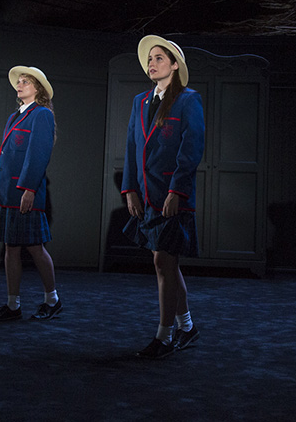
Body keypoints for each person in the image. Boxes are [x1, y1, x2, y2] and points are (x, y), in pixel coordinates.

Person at [121, 36, 205, 359]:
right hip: (146, 194)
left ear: (174, 65)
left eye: (159, 58)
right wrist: (130, 189)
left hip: (172, 195)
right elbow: (132, 146)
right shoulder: (140, 101)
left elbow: (191, 149)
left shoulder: (188, 100)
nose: (151, 63)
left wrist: (176, 191)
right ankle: (187, 327)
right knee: (167, 264)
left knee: (163, 262)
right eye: (149, 59)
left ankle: (164, 336)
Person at [0, 66, 61, 321]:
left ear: (38, 89)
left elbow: (38, 155)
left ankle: (52, 300)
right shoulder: (14, 117)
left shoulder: (41, 114)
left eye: (25, 82)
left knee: (35, 248)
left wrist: (29, 189)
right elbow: (5, 156)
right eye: (19, 82)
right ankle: (13, 305)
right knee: (11, 248)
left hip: (24, 192)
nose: (19, 85)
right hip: (7, 193)